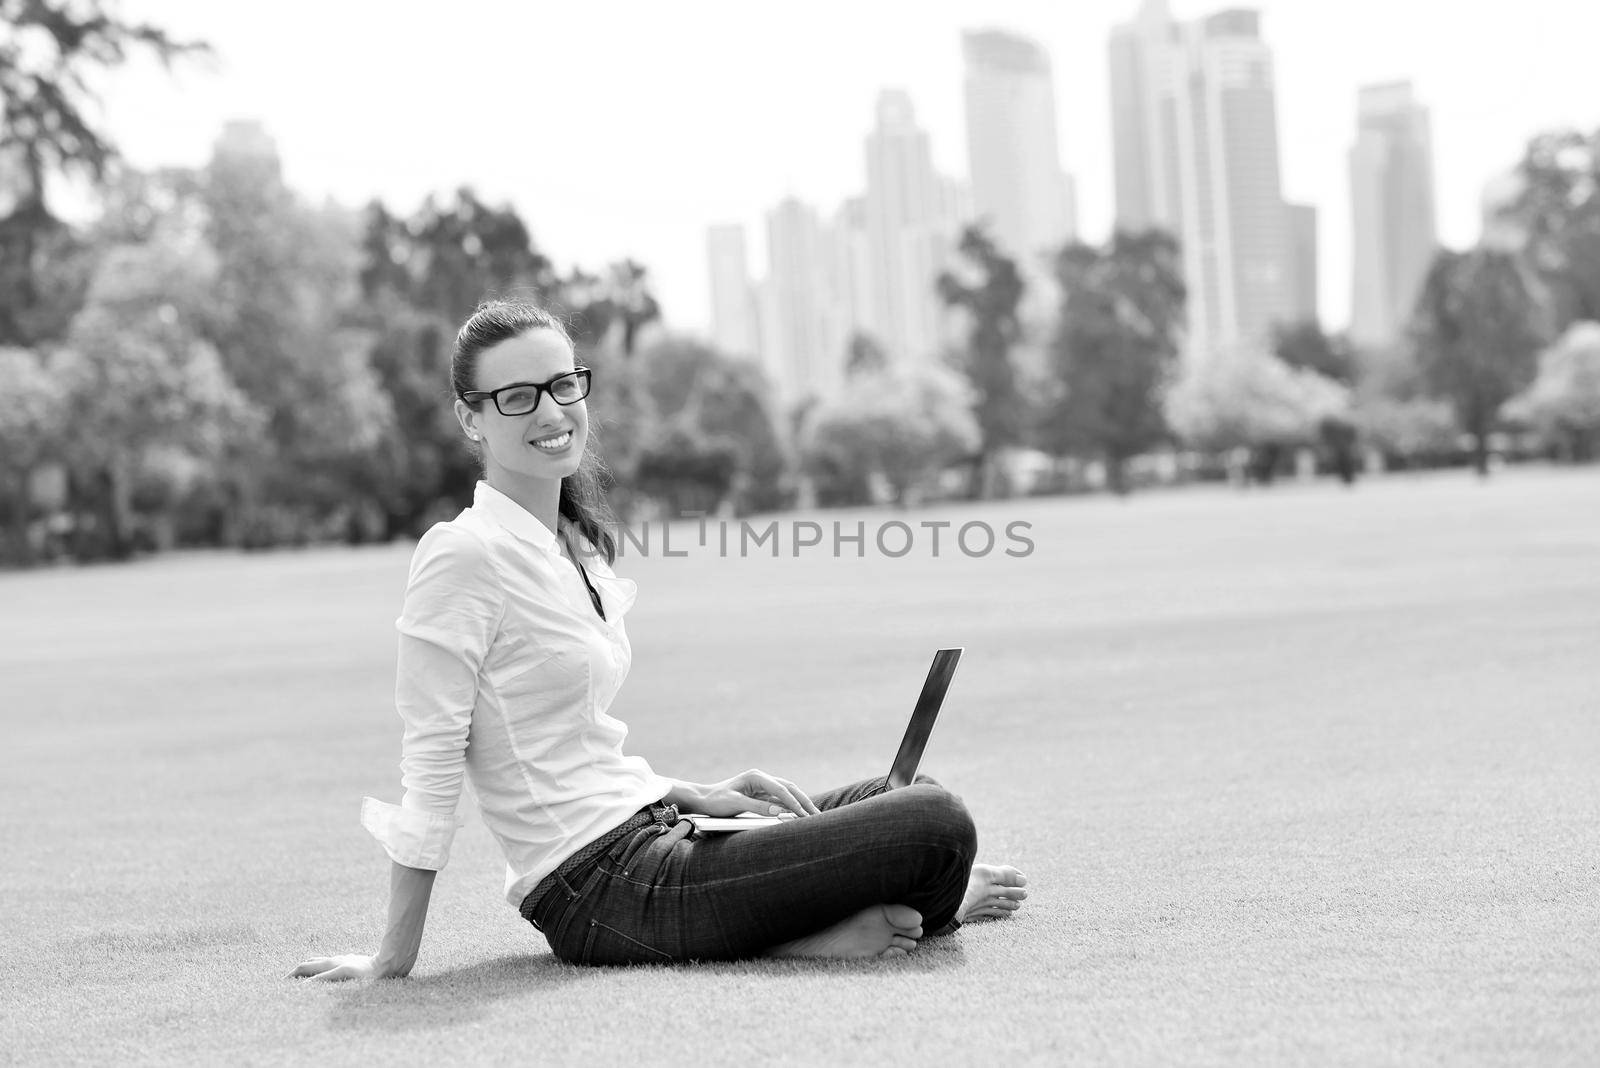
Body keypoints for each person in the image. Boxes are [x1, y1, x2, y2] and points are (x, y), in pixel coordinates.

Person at [292, 300, 1026, 977]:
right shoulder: (464, 553)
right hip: (597, 886)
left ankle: (833, 917)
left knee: (903, 793)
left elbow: (569, 743)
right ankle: (854, 921)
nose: (550, 410)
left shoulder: (566, 545)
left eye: (562, 386)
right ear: (470, 418)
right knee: (935, 824)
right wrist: (393, 958)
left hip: (657, 828)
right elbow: (432, 755)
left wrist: (692, 793)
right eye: (517, 396)